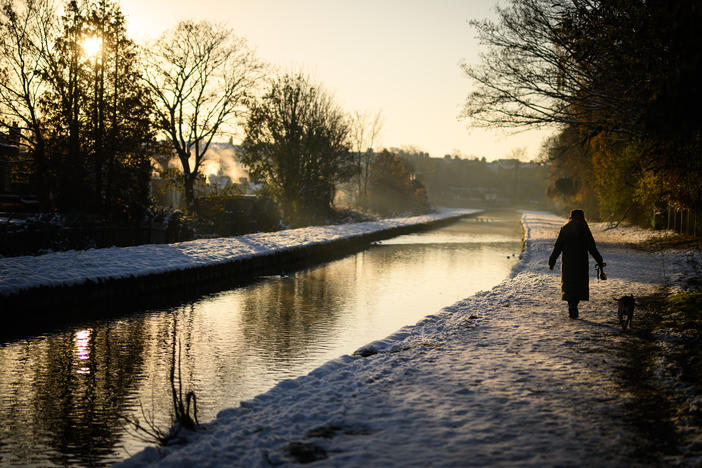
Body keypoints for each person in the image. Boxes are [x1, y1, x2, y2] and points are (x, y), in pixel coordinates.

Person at [548, 209, 604, 319]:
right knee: (579, 284)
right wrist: (599, 260)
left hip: (568, 262)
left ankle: (571, 305)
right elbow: (592, 247)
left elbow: (558, 247)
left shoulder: (565, 229)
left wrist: (552, 261)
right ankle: (574, 305)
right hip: (581, 262)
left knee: (569, 284)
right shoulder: (584, 229)